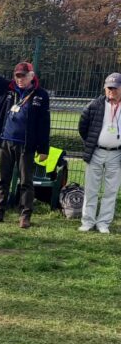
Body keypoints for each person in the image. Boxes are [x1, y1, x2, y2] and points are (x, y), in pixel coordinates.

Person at [0, 42, 50, 228]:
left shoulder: (41, 95)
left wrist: (43, 148)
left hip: (26, 144)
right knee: (2, 179)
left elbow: (44, 123)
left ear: (31, 76)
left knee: (26, 181)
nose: (20, 79)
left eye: (23, 76)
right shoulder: (7, 89)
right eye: (17, 76)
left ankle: (25, 215)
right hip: (6, 141)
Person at [77, 72, 121, 233]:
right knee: (91, 189)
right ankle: (88, 221)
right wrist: (91, 143)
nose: (112, 91)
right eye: (109, 88)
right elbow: (83, 127)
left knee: (111, 190)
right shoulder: (94, 105)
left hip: (117, 154)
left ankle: (103, 223)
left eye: (115, 88)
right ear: (104, 88)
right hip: (96, 152)